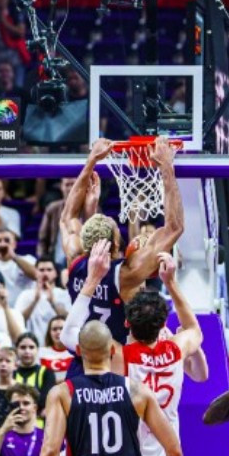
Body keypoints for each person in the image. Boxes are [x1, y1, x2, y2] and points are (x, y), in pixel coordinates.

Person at [63, 242, 205, 456]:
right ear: (163, 323)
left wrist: (92, 280)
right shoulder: (176, 349)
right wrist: (171, 283)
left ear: (126, 322)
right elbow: (193, 329)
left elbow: (69, 333)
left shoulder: (119, 356)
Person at [60, 138, 183, 360]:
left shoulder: (75, 257)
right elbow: (174, 228)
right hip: (116, 361)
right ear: (116, 243)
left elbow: (68, 216)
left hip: (81, 357)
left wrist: (92, 160)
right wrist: (166, 167)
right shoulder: (126, 274)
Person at [37, 320, 184, 456]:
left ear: (78, 351)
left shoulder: (63, 393)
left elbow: (50, 450)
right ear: (113, 350)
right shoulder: (138, 391)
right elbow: (174, 450)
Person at [15, 257, 70, 343]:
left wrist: (53, 303)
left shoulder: (65, 294)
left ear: (56, 273)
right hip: (33, 344)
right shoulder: (25, 295)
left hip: (58, 345)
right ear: (35, 272)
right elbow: (17, 321)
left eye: (49, 270)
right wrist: (34, 301)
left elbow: (70, 320)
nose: (45, 273)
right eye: (41, 270)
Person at [13, 333, 56, 415]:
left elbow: (45, 400)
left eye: (31, 347)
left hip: (39, 421)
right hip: (14, 419)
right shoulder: (12, 373)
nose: (27, 351)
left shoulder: (47, 373)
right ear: (16, 350)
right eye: (23, 347)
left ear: (37, 350)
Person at [39, 316, 72, 383]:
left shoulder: (76, 352)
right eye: (54, 329)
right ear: (49, 333)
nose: (58, 332)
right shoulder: (40, 353)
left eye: (61, 328)